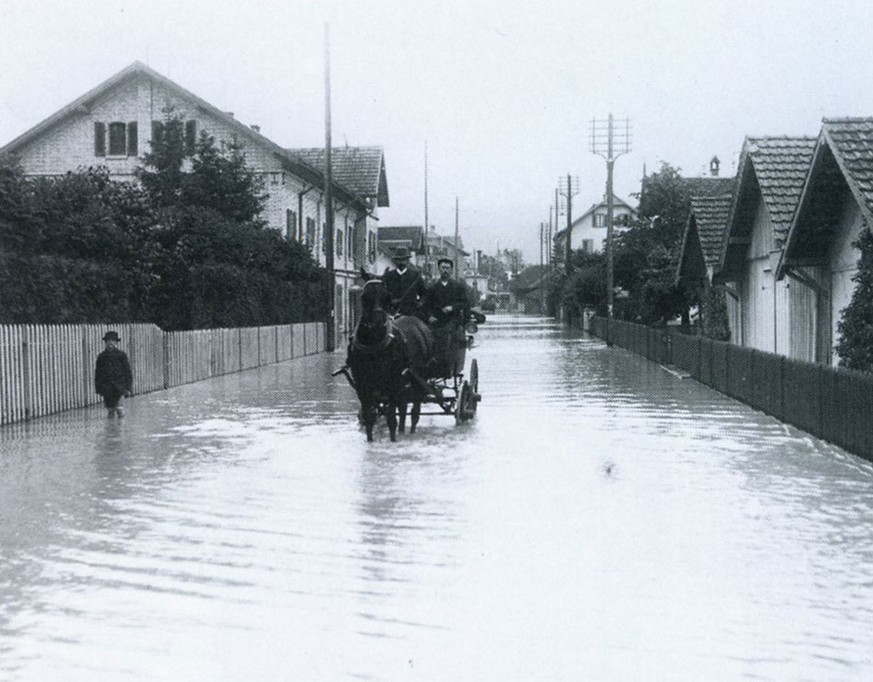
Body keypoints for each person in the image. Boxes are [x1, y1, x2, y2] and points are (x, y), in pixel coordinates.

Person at [422, 258, 469, 376]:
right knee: (425, 334)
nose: (445, 271)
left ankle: (447, 363)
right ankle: (428, 362)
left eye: (447, 268)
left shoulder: (458, 286)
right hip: (437, 319)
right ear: (438, 269)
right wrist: (429, 317)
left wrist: (452, 308)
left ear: (452, 270)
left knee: (448, 332)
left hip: (453, 319)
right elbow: (426, 305)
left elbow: (465, 303)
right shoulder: (432, 288)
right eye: (443, 268)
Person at [95, 330, 133, 418]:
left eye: (112, 340)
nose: (110, 343)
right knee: (110, 410)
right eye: (108, 341)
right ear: (105, 343)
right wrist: (98, 388)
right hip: (106, 387)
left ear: (116, 342)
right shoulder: (101, 356)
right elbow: (98, 373)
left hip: (119, 387)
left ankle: (121, 429)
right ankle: (111, 430)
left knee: (119, 409)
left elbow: (128, 372)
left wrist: (128, 388)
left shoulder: (121, 355)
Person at [381, 246, 426, 316]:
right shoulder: (388, 276)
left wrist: (420, 303)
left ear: (408, 260)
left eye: (404, 259)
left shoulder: (415, 275)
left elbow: (424, 294)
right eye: (399, 259)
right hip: (392, 314)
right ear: (395, 261)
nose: (402, 262)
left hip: (412, 314)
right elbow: (383, 296)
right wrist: (390, 301)